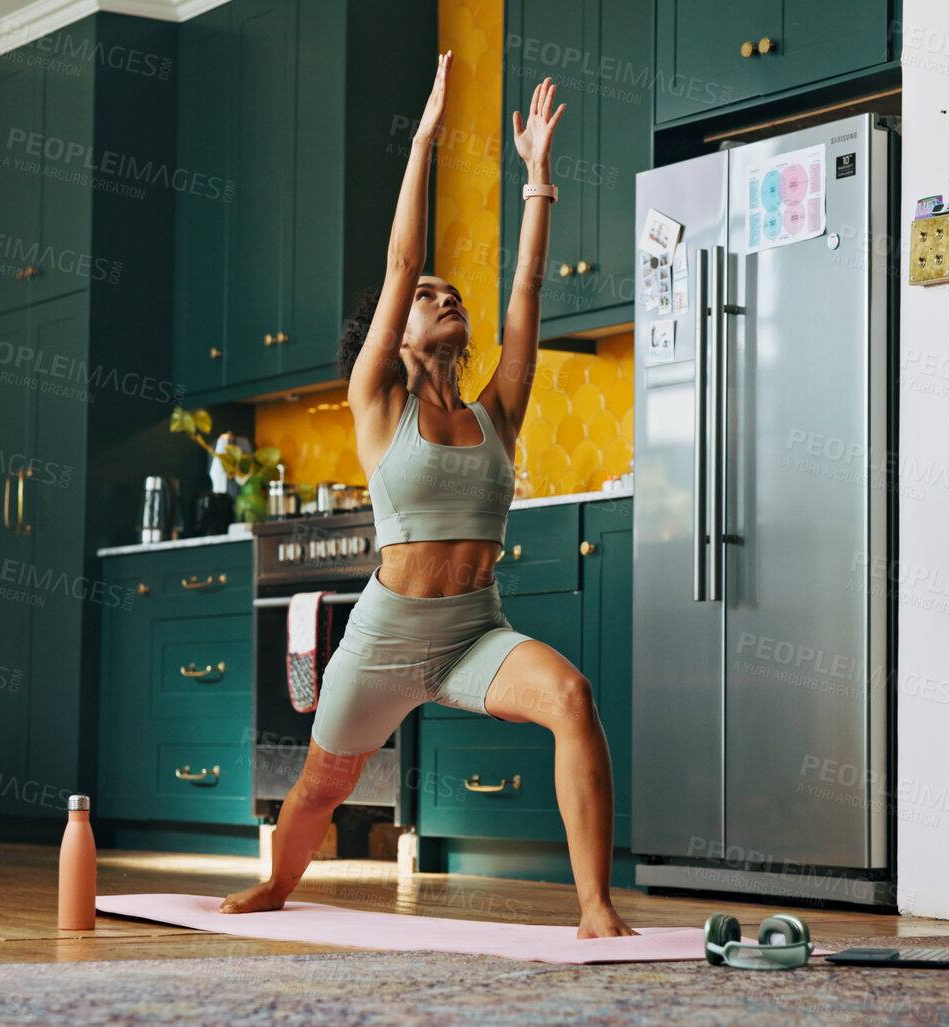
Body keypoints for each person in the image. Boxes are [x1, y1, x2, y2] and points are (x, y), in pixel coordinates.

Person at [220, 52, 637, 939]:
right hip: (384, 637)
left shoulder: (497, 413)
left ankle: (596, 908)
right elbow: (402, 252)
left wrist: (538, 183)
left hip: (473, 632)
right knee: (322, 785)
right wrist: (424, 136)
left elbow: (524, 292)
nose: (443, 296)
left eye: (451, 295)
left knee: (572, 697)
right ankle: (274, 887)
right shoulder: (378, 400)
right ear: (395, 329)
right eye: (425, 297)